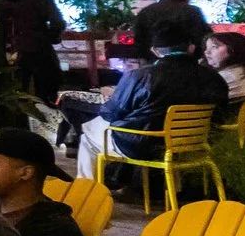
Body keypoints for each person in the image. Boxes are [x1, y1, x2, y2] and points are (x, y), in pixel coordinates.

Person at [79, 17, 229, 175]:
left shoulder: (139, 76)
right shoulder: (214, 78)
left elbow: (111, 113)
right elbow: (221, 113)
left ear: (155, 51)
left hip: (145, 147)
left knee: (88, 136)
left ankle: (88, 188)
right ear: (191, 48)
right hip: (196, 145)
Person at [0, 0, 67, 103]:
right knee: (47, 94)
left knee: (11, 96)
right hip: (41, 49)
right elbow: (58, 23)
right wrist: (51, 38)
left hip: (6, 53)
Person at [128, 0, 209, 59]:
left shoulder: (146, 11)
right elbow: (203, 39)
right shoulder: (192, 11)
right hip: (186, 62)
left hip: (153, 63)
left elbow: (139, 41)